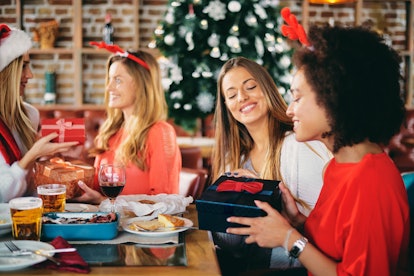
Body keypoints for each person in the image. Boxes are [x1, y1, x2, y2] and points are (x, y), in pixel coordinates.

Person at [226, 20, 411, 275]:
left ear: (334, 98)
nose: (289, 110)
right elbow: (333, 245)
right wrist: (297, 223)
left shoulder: (370, 180)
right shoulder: (337, 167)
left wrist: (289, 238)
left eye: (298, 97)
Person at [210, 56, 332, 274]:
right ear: (227, 106)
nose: (242, 97)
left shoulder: (297, 146)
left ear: (267, 89)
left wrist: (267, 195)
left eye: (250, 87)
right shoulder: (235, 158)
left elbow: (326, 232)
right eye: (231, 95)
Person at [74, 42, 181, 205]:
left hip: (140, 229)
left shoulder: (159, 132)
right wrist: (73, 163)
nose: (108, 87)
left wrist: (103, 201)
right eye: (109, 79)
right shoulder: (110, 132)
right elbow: (96, 190)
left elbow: (165, 202)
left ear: (140, 85)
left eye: (117, 80)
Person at [0, 24, 79, 203]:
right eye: (24, 66)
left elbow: (29, 189)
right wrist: (31, 156)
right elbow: (2, 196)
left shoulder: (30, 114)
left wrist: (51, 165)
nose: (30, 75)